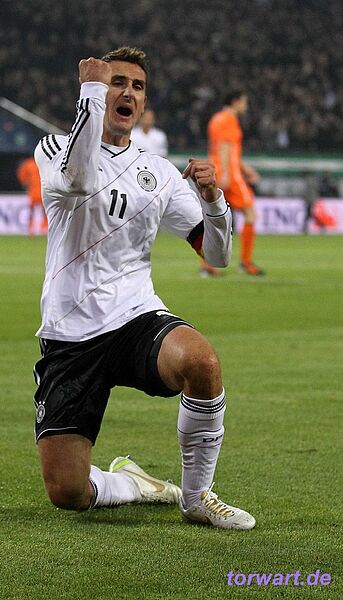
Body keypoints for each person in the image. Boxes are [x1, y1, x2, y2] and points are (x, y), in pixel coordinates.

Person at [33, 47, 255, 530]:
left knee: (202, 362)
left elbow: (217, 255)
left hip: (135, 317)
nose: (128, 93)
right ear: (98, 91)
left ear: (144, 100)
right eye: (117, 82)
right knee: (68, 492)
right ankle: (134, 483)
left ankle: (196, 497)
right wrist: (90, 92)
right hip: (71, 333)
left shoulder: (158, 173)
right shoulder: (53, 148)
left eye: (137, 86)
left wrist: (213, 200)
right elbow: (77, 179)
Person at [203, 90, 264, 277]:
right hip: (229, 174)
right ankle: (245, 262)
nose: (246, 106)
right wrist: (226, 174)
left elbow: (223, 149)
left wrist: (245, 169)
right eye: (244, 102)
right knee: (250, 214)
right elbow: (224, 147)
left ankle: (207, 264)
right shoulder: (228, 119)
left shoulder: (216, 119)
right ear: (235, 101)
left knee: (216, 217)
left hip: (220, 170)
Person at [16, 156, 47, 236]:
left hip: (35, 190)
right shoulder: (43, 162)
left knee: (33, 211)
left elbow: (21, 174)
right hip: (41, 190)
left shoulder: (28, 164)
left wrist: (25, 183)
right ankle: (43, 228)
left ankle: (31, 229)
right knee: (44, 210)